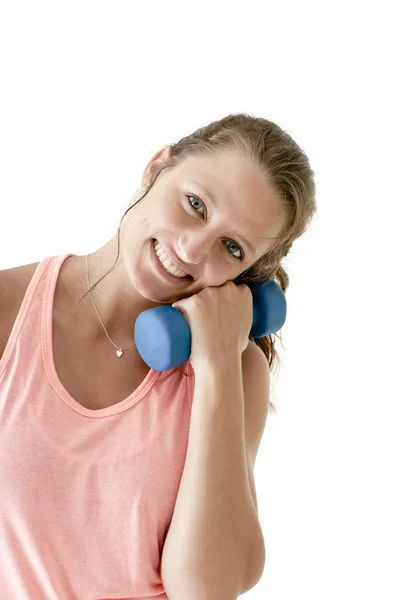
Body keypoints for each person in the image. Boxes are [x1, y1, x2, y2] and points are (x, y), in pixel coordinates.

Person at [0, 113, 316, 598]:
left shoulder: (234, 368)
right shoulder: (7, 310)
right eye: (195, 205)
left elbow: (206, 589)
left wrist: (215, 368)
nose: (192, 249)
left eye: (231, 248)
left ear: (248, 280)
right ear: (156, 169)